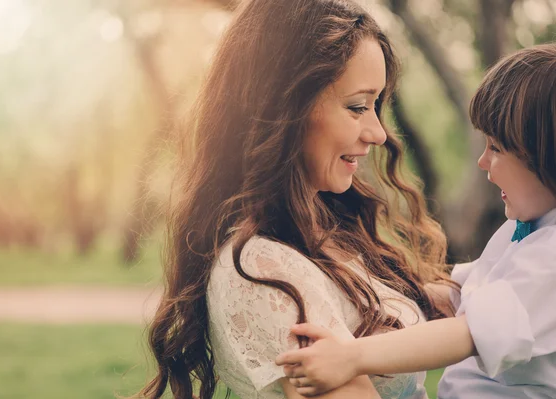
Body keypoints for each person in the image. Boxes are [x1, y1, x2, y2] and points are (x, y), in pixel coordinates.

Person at [138, 1, 455, 398]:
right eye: (358, 107)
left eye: (377, 106)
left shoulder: (326, 232)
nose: (377, 132)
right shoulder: (264, 268)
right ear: (285, 107)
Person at [275, 43, 556, 399]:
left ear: (547, 155)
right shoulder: (530, 230)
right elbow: (455, 295)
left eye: (496, 148)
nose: (482, 162)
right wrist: (360, 291)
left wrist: (352, 357)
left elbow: (466, 333)